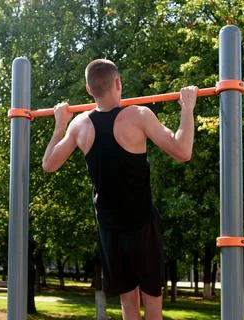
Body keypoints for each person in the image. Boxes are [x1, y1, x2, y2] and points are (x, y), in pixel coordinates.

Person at [42, 58, 198, 320]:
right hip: (141, 224)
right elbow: (182, 151)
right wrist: (187, 109)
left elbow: (48, 164)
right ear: (118, 83)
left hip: (109, 227)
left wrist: (59, 125)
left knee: (128, 302)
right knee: (152, 304)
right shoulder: (138, 116)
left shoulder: (79, 125)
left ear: (89, 90)